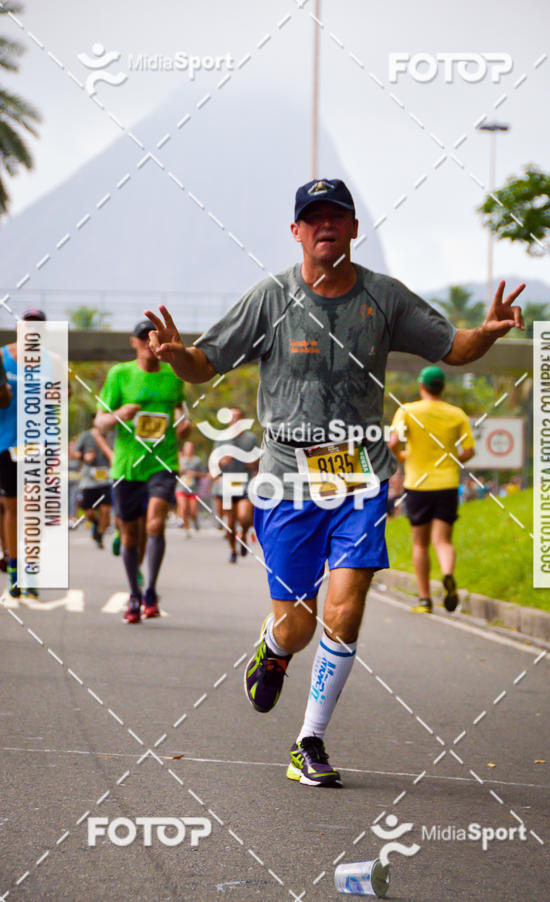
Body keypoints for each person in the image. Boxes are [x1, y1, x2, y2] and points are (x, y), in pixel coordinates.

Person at [144, 177, 525, 786]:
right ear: (296, 230)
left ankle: (309, 741)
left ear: (352, 228)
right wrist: (174, 355)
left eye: (336, 217)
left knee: (344, 610)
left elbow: (453, 348)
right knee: (297, 624)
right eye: (312, 217)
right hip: (287, 477)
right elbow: (204, 362)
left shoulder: (385, 298)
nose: (325, 226)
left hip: (359, 473)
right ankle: (273, 649)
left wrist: (486, 332)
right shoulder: (269, 299)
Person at [94, 319, 190, 623]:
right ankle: (134, 594)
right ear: (134, 342)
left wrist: (184, 426)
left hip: (162, 463)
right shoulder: (120, 374)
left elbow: (182, 419)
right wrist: (119, 414)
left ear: (157, 342)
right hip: (127, 465)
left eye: (153, 337)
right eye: (141, 337)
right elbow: (100, 422)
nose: (147, 342)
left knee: (154, 524)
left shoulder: (173, 377)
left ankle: (150, 591)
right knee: (130, 535)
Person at [388, 366, 476, 614]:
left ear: (421, 386)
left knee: (420, 544)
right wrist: (450, 459)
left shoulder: (407, 410)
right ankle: (448, 574)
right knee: (443, 541)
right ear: (443, 387)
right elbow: (468, 451)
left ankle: (425, 600)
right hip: (447, 484)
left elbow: (393, 441)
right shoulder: (456, 414)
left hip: (417, 484)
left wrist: (401, 456)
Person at [0, 309, 45, 598]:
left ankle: (28, 569)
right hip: (4, 444)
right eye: (28, 324)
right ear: (19, 327)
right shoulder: (2, 356)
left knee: (31, 509)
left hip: (35, 446)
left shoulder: (51, 361)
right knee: (12, 507)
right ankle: (14, 567)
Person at [210, 407, 258, 562]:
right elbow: (215, 462)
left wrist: (253, 464)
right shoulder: (221, 438)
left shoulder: (250, 439)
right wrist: (223, 461)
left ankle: (243, 536)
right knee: (230, 523)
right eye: (232, 417)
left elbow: (257, 461)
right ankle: (232, 550)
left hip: (245, 483)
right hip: (227, 484)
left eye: (238, 417)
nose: (235, 420)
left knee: (244, 517)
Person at [74, 424, 113, 548]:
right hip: (89, 480)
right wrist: (83, 456)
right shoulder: (86, 436)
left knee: (106, 511)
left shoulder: (113, 435)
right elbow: (74, 452)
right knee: (89, 513)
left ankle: (100, 536)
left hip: (106, 478)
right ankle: (96, 523)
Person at [175, 440, 206, 537]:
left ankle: (195, 520)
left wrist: (195, 474)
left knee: (193, 511)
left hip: (193, 489)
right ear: (184, 448)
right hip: (181, 488)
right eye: (187, 447)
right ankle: (187, 530)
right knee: (183, 508)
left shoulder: (197, 461)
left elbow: (204, 474)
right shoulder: (179, 460)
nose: (189, 449)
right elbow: (172, 473)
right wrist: (179, 471)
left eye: (190, 447)